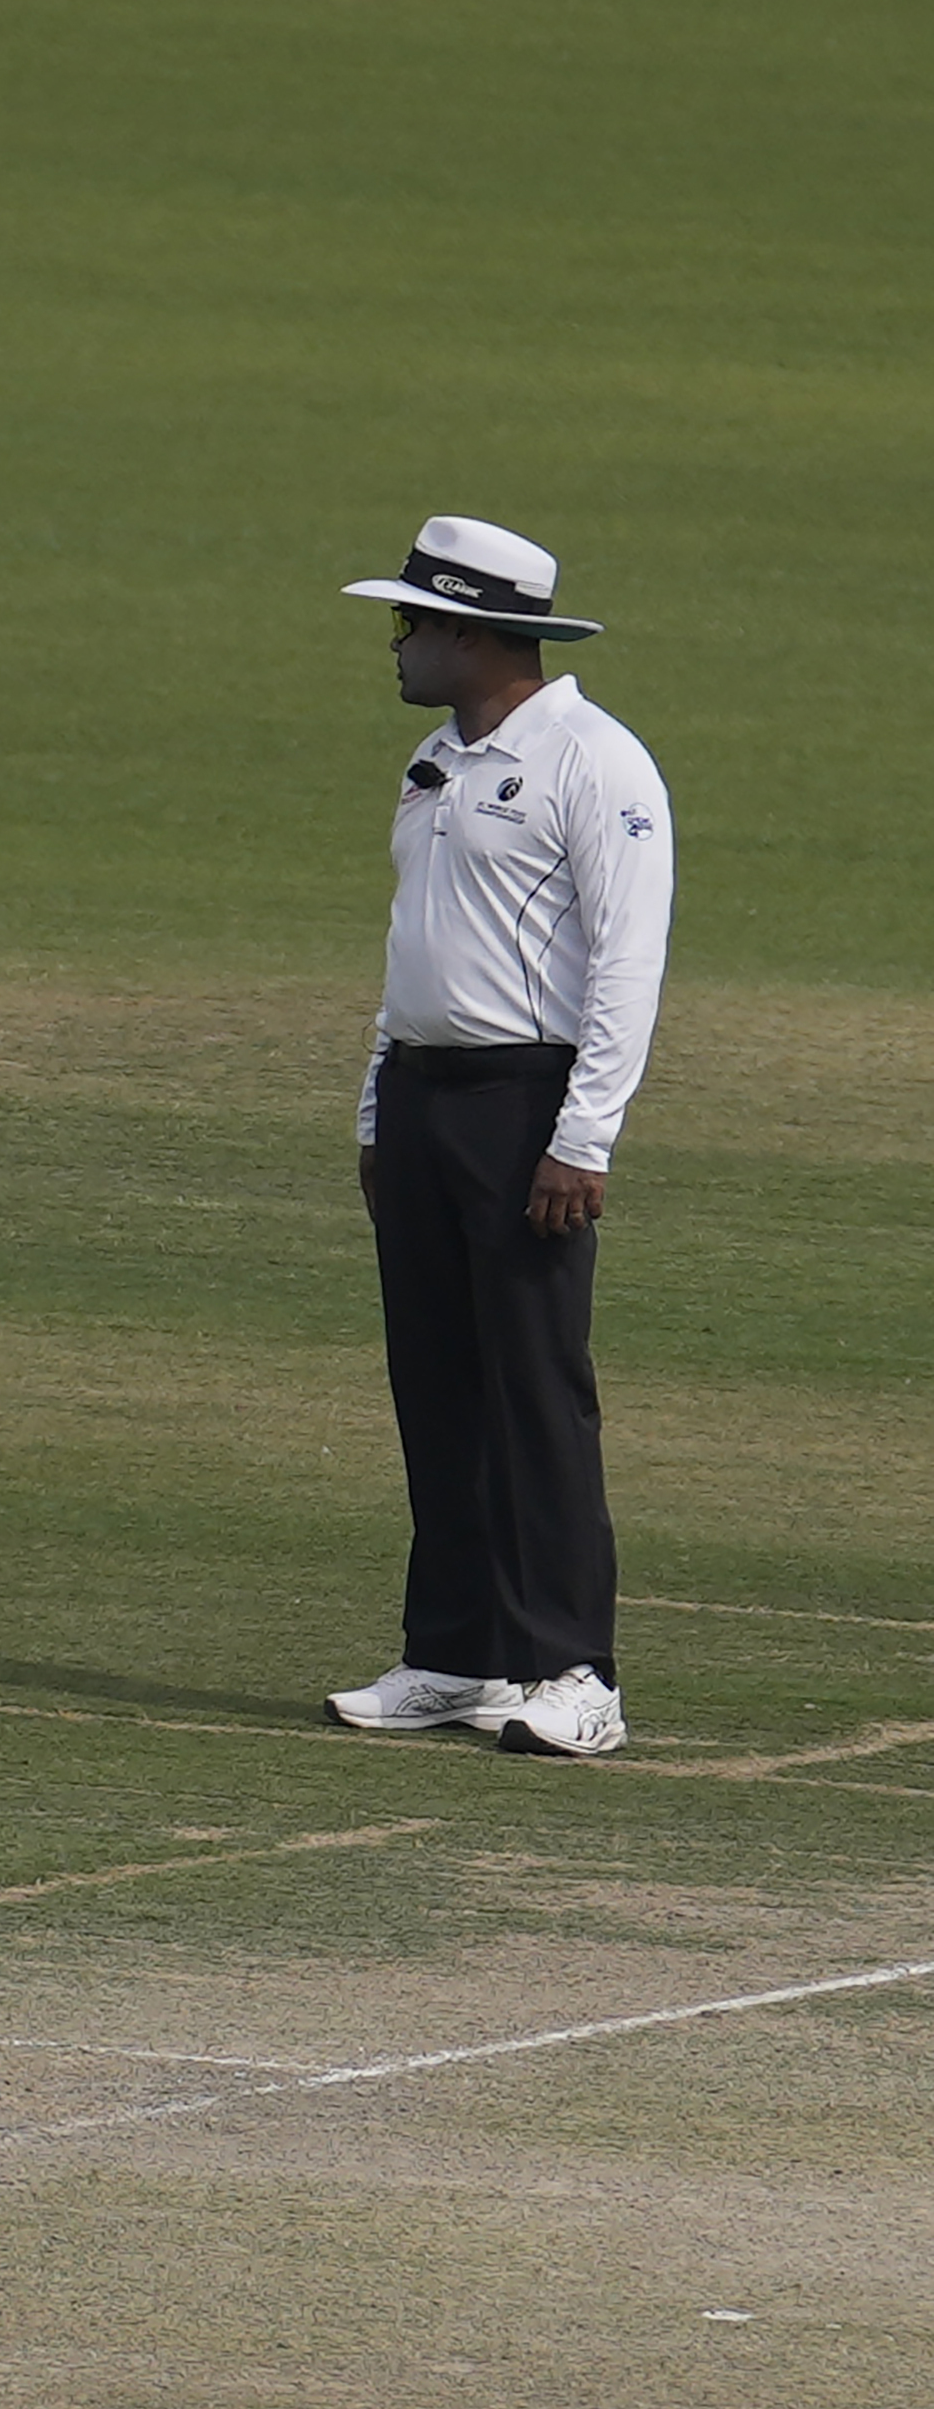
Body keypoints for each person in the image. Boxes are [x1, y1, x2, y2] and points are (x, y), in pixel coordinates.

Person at [323, 517, 672, 1757]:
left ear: (476, 631)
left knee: (533, 1389)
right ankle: (456, 1651)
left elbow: (626, 965)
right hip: (423, 1099)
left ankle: (573, 1670)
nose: (399, 642)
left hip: (526, 1106)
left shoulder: (594, 760)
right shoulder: (435, 760)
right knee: (435, 1378)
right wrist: (378, 1106)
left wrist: (583, 1137)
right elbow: (413, 949)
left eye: (414, 621)